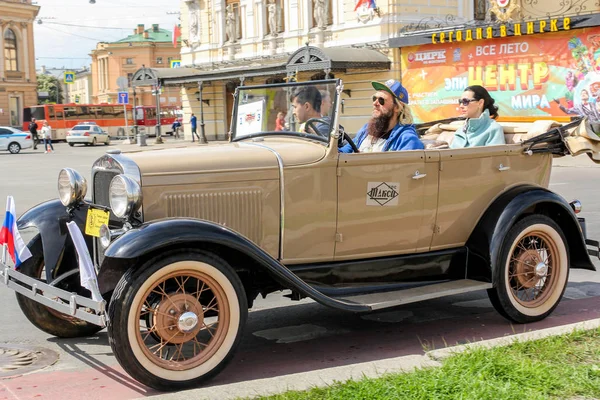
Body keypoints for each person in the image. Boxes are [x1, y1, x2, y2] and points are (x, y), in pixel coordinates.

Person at [339, 79, 423, 153]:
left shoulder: (406, 139)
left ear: (397, 107)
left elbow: (405, 169)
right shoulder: (366, 130)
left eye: (381, 100)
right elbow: (345, 152)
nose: (375, 103)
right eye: (374, 98)